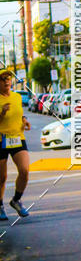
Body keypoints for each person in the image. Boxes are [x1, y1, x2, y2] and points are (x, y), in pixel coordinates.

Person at [0, 70, 31, 221]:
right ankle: (0, 206)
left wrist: (24, 121)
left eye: (8, 78)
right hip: (1, 140)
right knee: (1, 177)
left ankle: (16, 200)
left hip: (17, 137)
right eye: (3, 79)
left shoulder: (17, 97)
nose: (6, 81)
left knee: (24, 171)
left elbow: (19, 113)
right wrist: (1, 114)